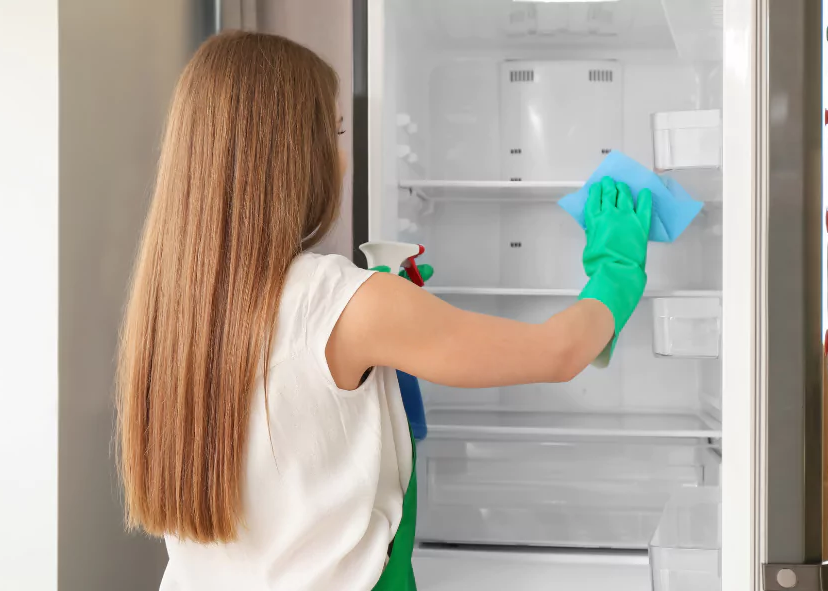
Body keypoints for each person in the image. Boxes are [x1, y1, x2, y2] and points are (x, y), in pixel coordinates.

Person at [115, 31, 651, 591]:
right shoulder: (343, 302)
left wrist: (389, 311)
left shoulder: (170, 309)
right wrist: (617, 268)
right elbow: (559, 351)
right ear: (292, 155)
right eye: (335, 134)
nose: (342, 157)